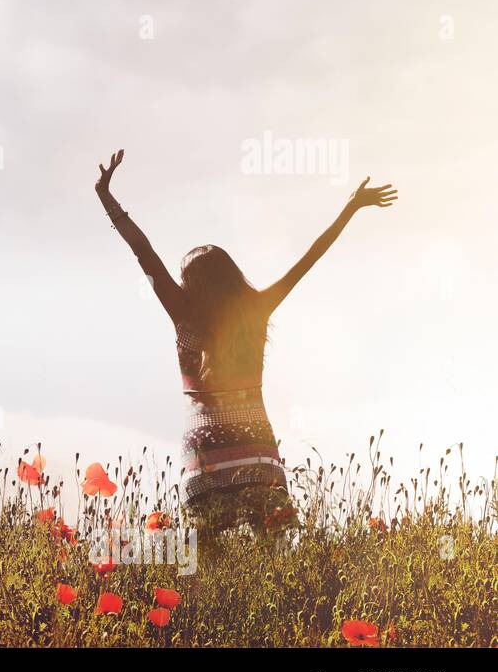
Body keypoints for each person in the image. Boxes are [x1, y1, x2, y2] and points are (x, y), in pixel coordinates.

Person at [93, 149, 396, 529]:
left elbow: (143, 251)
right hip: (258, 456)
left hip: (204, 460)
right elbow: (309, 258)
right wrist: (350, 208)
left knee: (209, 564)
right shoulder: (257, 311)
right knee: (273, 559)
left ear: (189, 284)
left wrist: (106, 196)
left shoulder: (183, 316)